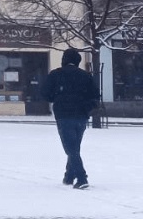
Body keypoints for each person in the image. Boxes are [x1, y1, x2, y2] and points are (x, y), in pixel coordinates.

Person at [42, 48, 100, 190]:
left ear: (64, 59)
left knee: (71, 148)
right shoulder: (86, 76)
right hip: (81, 116)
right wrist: (87, 108)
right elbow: (95, 95)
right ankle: (69, 176)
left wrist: (56, 98)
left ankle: (81, 177)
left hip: (64, 114)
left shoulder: (56, 75)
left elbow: (45, 93)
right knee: (75, 146)